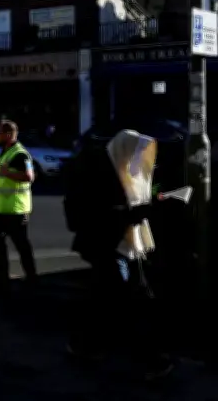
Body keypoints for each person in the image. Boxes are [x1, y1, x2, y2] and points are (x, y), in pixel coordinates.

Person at [65, 129, 173, 380]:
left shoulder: (122, 169)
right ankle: (149, 359)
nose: (137, 159)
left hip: (122, 245)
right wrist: (132, 214)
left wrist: (148, 204)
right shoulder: (100, 173)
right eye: (134, 153)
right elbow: (101, 214)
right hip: (107, 245)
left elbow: (135, 197)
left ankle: (84, 344)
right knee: (127, 300)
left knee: (108, 300)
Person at [0, 120, 38, 291]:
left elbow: (29, 176)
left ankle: (32, 278)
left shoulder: (21, 154)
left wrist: (7, 173)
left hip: (17, 210)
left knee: (22, 245)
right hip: (2, 209)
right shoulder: (5, 151)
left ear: (9, 135)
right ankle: (3, 278)